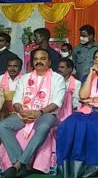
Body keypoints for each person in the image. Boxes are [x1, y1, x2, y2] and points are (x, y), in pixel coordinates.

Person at [57, 49, 98, 178]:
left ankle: (90, 166)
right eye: (95, 58)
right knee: (68, 124)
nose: (97, 60)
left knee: (87, 124)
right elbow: (82, 95)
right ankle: (67, 166)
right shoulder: (86, 77)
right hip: (86, 110)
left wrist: (92, 100)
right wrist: (89, 75)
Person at [0, 49, 66, 177]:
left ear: (49, 62)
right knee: (2, 126)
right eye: (36, 59)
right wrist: (22, 111)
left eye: (42, 58)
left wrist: (39, 112)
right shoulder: (25, 78)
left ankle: (19, 164)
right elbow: (17, 100)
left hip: (47, 114)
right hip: (24, 113)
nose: (39, 61)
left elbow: (57, 103)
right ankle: (20, 163)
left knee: (43, 126)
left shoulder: (57, 79)